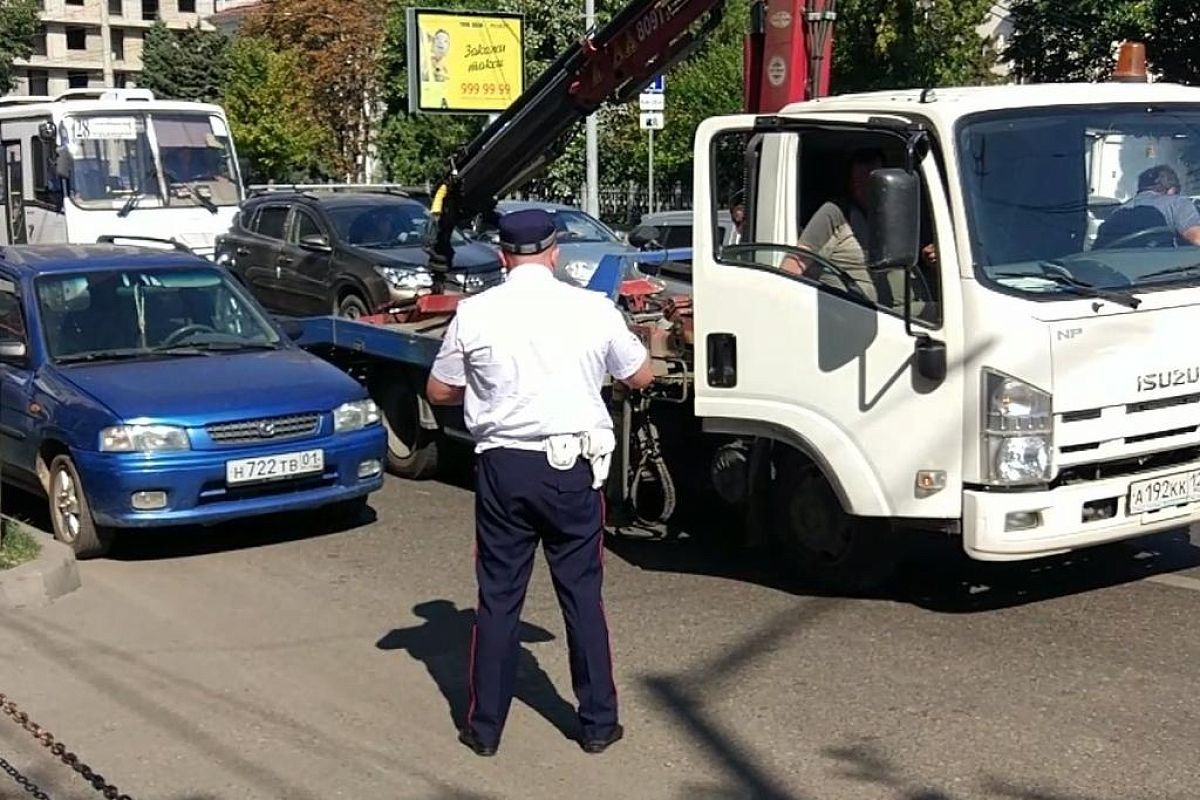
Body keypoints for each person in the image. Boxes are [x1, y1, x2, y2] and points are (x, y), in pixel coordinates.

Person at [425, 208, 654, 757]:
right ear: (554, 253)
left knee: (499, 599)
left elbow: (438, 391)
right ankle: (598, 723)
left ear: (503, 256)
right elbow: (639, 375)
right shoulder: (593, 309)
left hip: (505, 466)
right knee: (582, 595)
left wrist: (485, 394)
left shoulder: (475, 313)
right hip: (573, 468)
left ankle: (485, 730)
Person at [1094, 165, 1200, 248]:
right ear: (1172, 190)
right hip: (1166, 272)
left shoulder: (1119, 211)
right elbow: (1197, 238)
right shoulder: (1177, 203)